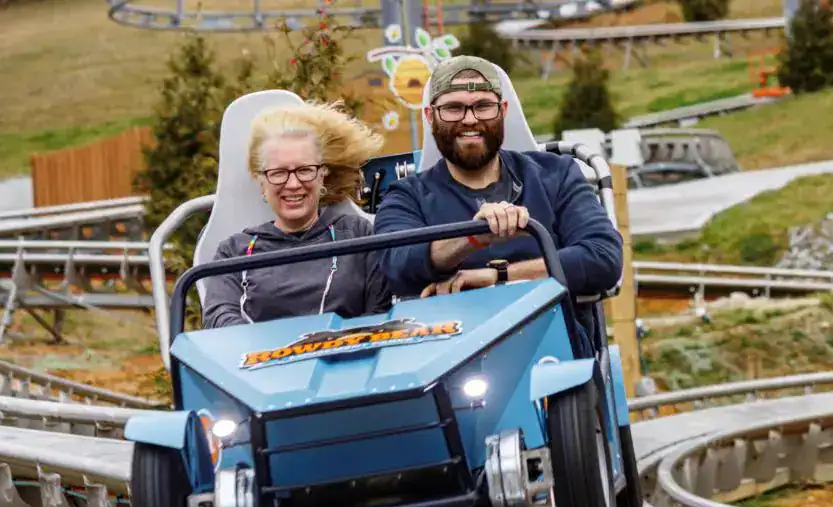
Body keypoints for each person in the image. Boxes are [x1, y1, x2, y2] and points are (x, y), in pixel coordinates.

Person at [373, 55, 623, 354]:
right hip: (449, 357)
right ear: (430, 115)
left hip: (556, 348)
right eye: (453, 108)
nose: (469, 119)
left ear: (503, 111)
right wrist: (472, 238)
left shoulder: (554, 174)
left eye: (482, 106)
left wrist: (498, 277)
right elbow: (397, 265)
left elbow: (603, 256)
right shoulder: (405, 196)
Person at [202, 101, 393, 329]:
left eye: (304, 170)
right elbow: (219, 318)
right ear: (260, 180)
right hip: (263, 361)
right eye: (279, 173)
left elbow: (380, 313)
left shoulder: (358, 235)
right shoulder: (234, 253)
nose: (293, 184)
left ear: (323, 174)